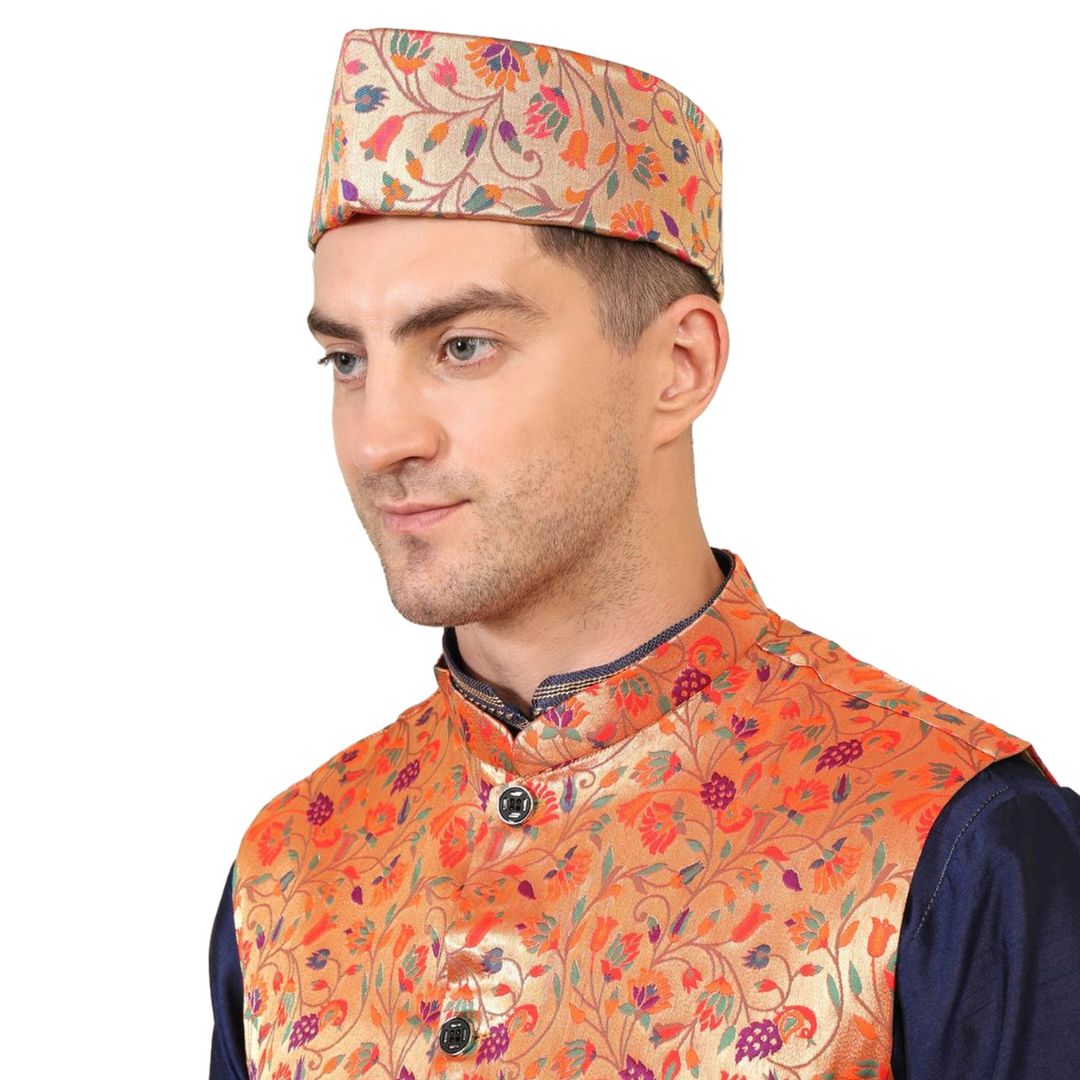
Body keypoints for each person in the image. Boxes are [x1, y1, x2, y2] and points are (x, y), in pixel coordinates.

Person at [209, 26, 1080, 1080]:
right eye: (345, 360)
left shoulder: (956, 849)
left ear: (679, 365)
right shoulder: (291, 875)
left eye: (463, 347)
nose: (378, 438)